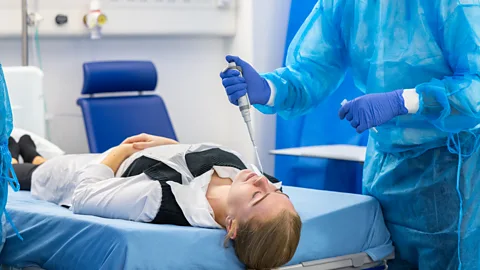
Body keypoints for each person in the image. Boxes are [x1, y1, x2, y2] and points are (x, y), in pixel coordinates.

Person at [219, 1, 480, 269]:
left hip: (456, 169)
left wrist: (405, 101)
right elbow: (310, 72)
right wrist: (268, 89)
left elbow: (476, 87)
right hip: (385, 167)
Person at [9, 133, 301, 270]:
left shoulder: (161, 199)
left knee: (19, 172)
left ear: (232, 227)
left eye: (258, 195)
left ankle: (21, 160)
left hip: (95, 169)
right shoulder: (251, 180)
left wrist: (120, 150)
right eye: (278, 193)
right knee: (47, 160)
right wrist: (172, 147)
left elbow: (83, 195)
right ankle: (33, 154)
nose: (264, 182)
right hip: (144, 155)